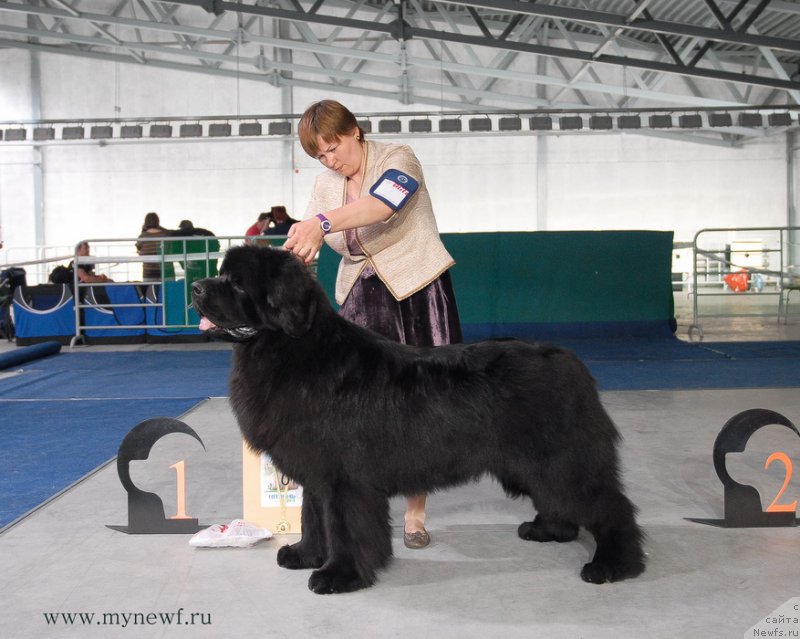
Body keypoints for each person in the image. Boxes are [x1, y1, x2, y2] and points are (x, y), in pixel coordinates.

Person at [285, 99, 462, 550]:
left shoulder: (399, 158)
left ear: (355, 131)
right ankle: (361, 506)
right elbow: (307, 239)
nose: (330, 161)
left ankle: (415, 515)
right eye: (320, 156)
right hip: (359, 296)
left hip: (418, 290)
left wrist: (320, 223)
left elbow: (382, 206)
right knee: (357, 408)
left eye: (333, 147)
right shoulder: (325, 186)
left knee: (423, 402)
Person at [136, 212, 175, 282]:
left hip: (149, 272)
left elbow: (140, 253)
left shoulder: (142, 237)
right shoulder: (166, 234)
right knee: (168, 292)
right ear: (158, 221)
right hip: (166, 271)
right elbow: (171, 251)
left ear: (145, 222)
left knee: (150, 293)